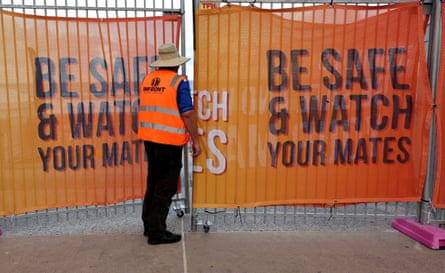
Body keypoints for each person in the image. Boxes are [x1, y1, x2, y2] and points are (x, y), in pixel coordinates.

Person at [138, 43, 201, 245]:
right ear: (176, 64)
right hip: (169, 141)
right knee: (165, 186)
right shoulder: (178, 82)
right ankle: (157, 232)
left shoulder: (148, 80)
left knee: (154, 182)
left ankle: (149, 225)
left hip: (150, 139)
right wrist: (196, 140)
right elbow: (188, 113)